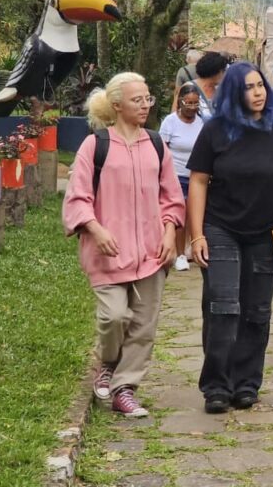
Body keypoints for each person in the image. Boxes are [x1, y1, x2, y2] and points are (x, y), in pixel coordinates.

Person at [186, 61, 273, 414]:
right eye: (248, 88)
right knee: (223, 307)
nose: (257, 93)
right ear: (233, 94)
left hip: (267, 231)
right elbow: (198, 181)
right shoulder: (215, 130)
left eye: (260, 86)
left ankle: (246, 383)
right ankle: (216, 386)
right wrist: (196, 235)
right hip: (220, 226)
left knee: (257, 311)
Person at [62, 72, 185, 418]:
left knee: (144, 327)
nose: (145, 105)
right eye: (137, 100)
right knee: (114, 316)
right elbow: (78, 197)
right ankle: (109, 362)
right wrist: (95, 229)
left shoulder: (156, 144)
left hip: (151, 253)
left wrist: (169, 233)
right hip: (108, 253)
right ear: (117, 105)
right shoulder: (95, 145)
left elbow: (171, 197)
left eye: (148, 99)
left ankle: (125, 389)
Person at [159, 82, 204, 271]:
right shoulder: (170, 122)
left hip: (196, 176)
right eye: (188, 103)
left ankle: (191, 247)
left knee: (193, 214)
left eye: (195, 103)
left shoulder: (202, 123)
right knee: (179, 215)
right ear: (180, 102)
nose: (192, 107)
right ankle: (179, 255)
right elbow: (162, 149)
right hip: (175, 175)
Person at [189, 51, 229, 120]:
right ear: (214, 71)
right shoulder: (189, 88)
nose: (224, 74)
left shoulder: (220, 89)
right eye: (223, 71)